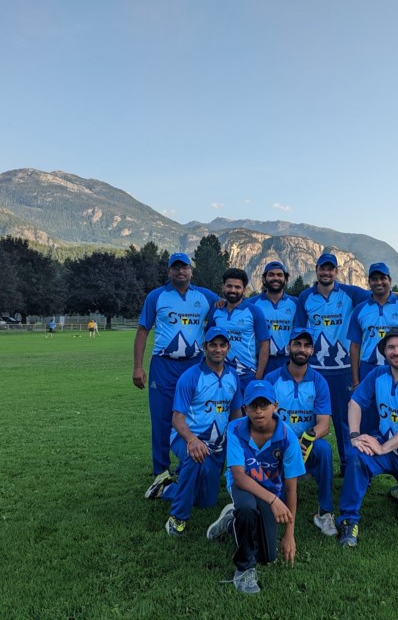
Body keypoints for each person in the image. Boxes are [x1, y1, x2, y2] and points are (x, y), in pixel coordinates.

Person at [294, 252, 398, 476]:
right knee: (308, 418)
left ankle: (347, 465)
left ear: (336, 272)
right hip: (314, 370)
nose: (326, 272)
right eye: (322, 268)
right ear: (316, 270)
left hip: (342, 371)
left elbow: (378, 293)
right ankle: (304, 465)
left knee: (345, 421)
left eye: (330, 269)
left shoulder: (350, 292)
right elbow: (299, 330)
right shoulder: (305, 297)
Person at [335, 328, 398, 547]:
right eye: (391, 347)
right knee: (357, 456)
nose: (396, 352)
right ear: (385, 352)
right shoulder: (377, 374)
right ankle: (348, 520)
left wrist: (384, 448)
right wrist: (354, 436)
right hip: (384, 446)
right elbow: (354, 403)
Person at [206, 380, 305, 594]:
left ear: (275, 406)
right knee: (247, 508)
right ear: (245, 408)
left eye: (264, 405)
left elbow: (290, 488)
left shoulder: (287, 437)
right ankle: (243, 569)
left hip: (270, 491)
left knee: (268, 556)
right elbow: (239, 477)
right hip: (243, 486)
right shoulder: (235, 427)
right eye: (253, 406)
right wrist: (272, 500)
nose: (259, 411)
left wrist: (289, 534)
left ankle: (232, 521)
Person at [133, 252, 221, 492]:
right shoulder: (156, 296)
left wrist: (224, 302)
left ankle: (188, 465)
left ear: (191, 271)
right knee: (161, 418)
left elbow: (226, 305)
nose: (180, 272)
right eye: (176, 268)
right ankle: (161, 471)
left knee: (193, 418)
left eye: (185, 268)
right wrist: (138, 366)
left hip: (194, 365)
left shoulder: (205, 296)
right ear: (169, 271)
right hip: (164, 365)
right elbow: (143, 330)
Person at [151, 327, 244, 537]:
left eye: (222, 345)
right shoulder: (191, 376)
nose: (217, 349)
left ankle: (166, 488)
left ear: (228, 348)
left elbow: (236, 412)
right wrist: (192, 440)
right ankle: (177, 518)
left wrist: (239, 442)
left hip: (216, 446)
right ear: (205, 347)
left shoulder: (233, 377)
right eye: (213, 345)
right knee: (195, 457)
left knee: (206, 501)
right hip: (185, 439)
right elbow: (177, 418)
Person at [263, 327, 336, 536]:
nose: (301, 349)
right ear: (289, 347)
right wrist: (287, 442)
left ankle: (325, 512)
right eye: (297, 344)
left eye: (306, 345)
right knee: (278, 507)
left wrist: (302, 440)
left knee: (323, 450)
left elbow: (323, 424)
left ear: (312, 350)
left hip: (306, 446)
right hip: (276, 444)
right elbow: (262, 420)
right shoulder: (271, 379)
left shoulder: (319, 381)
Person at [347, 261, 398, 436]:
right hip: (369, 367)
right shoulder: (360, 309)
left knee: (397, 415)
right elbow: (355, 346)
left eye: (383, 278)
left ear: (390, 280)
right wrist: (356, 381)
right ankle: (371, 459)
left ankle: (396, 458)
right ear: (369, 282)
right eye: (374, 279)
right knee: (368, 419)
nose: (379, 282)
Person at [206, 267, 271, 393]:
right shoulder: (216, 310)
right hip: (219, 375)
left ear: (244, 290)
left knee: (245, 412)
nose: (232, 290)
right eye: (229, 286)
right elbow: (209, 342)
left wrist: (258, 375)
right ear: (223, 287)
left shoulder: (254, 311)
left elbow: (264, 345)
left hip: (246, 375)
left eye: (237, 287)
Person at [245, 261, 300, 375]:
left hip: (289, 362)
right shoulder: (252, 303)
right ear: (264, 279)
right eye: (271, 275)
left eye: (280, 275)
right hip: (261, 363)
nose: (275, 278)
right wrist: (222, 303)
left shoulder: (296, 303)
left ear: (285, 279)